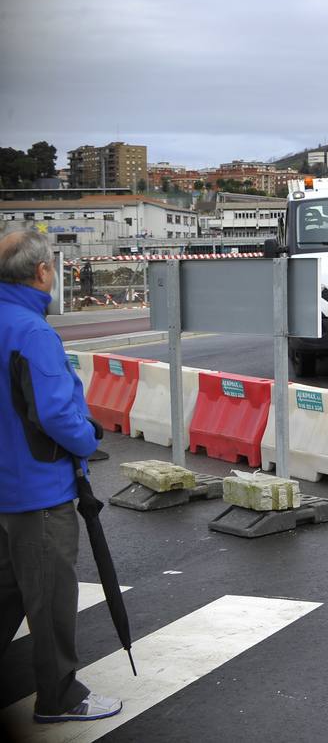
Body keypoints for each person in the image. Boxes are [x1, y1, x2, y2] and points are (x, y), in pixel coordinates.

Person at [0, 230, 122, 724]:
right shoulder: (32, 332)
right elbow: (54, 415)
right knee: (49, 598)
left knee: (7, 592)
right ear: (42, 273)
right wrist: (89, 441)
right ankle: (59, 696)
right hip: (39, 490)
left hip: (4, 490)